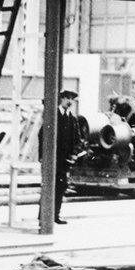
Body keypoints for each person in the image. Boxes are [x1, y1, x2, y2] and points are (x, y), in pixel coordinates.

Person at [53, 89, 81, 225]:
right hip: (53, 159)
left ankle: (55, 215)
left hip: (65, 161)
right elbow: (42, 135)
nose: (69, 101)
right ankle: (44, 215)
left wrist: (74, 154)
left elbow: (77, 139)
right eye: (67, 98)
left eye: (72, 99)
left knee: (61, 186)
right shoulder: (53, 115)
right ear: (62, 99)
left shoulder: (72, 118)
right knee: (49, 185)